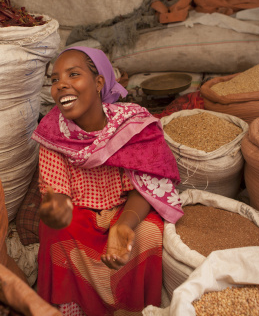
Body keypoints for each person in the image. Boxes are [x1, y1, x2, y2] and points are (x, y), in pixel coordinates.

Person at [32, 46, 183, 316]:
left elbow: (148, 185)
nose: (61, 85)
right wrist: (57, 208)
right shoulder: (52, 131)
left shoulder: (132, 125)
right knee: (54, 231)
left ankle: (132, 309)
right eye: (54, 80)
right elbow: (56, 191)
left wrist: (125, 224)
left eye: (73, 74)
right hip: (80, 213)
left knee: (148, 232)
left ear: (99, 82)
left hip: (125, 210)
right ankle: (71, 307)